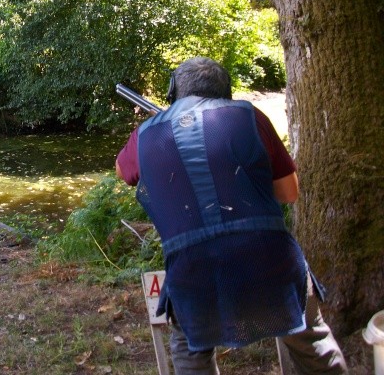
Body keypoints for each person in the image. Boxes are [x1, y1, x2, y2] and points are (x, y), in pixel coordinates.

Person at [115, 57, 347, 375]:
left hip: (194, 268)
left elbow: (122, 171)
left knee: (190, 350)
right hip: (270, 258)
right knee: (312, 342)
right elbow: (288, 193)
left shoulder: (145, 135)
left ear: (173, 93)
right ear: (226, 94)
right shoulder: (251, 118)